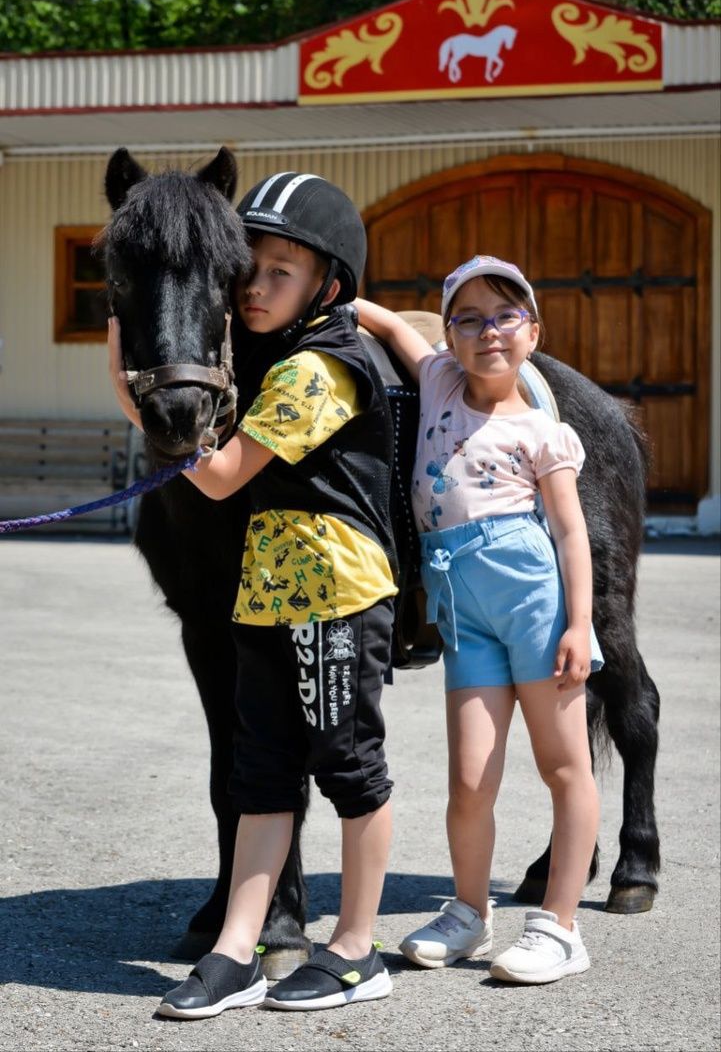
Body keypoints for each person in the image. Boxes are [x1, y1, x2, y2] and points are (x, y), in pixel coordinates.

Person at [108, 172, 398, 1015]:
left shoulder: (316, 373)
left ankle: (353, 948)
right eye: (250, 271)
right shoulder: (279, 356)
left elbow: (223, 470)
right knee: (259, 767)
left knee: (348, 768)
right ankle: (240, 946)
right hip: (268, 596)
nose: (255, 288)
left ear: (326, 287)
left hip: (334, 598)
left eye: (281, 272)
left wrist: (136, 391)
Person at [354, 254, 603, 986]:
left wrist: (577, 623)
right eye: (467, 318)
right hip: (462, 609)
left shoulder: (543, 433)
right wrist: (336, 301)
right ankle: (468, 911)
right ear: (451, 334)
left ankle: (559, 926)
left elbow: (568, 534)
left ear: (532, 332)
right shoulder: (435, 379)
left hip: (530, 594)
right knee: (469, 781)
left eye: (504, 316)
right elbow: (393, 324)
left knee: (563, 767)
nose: (485, 331)